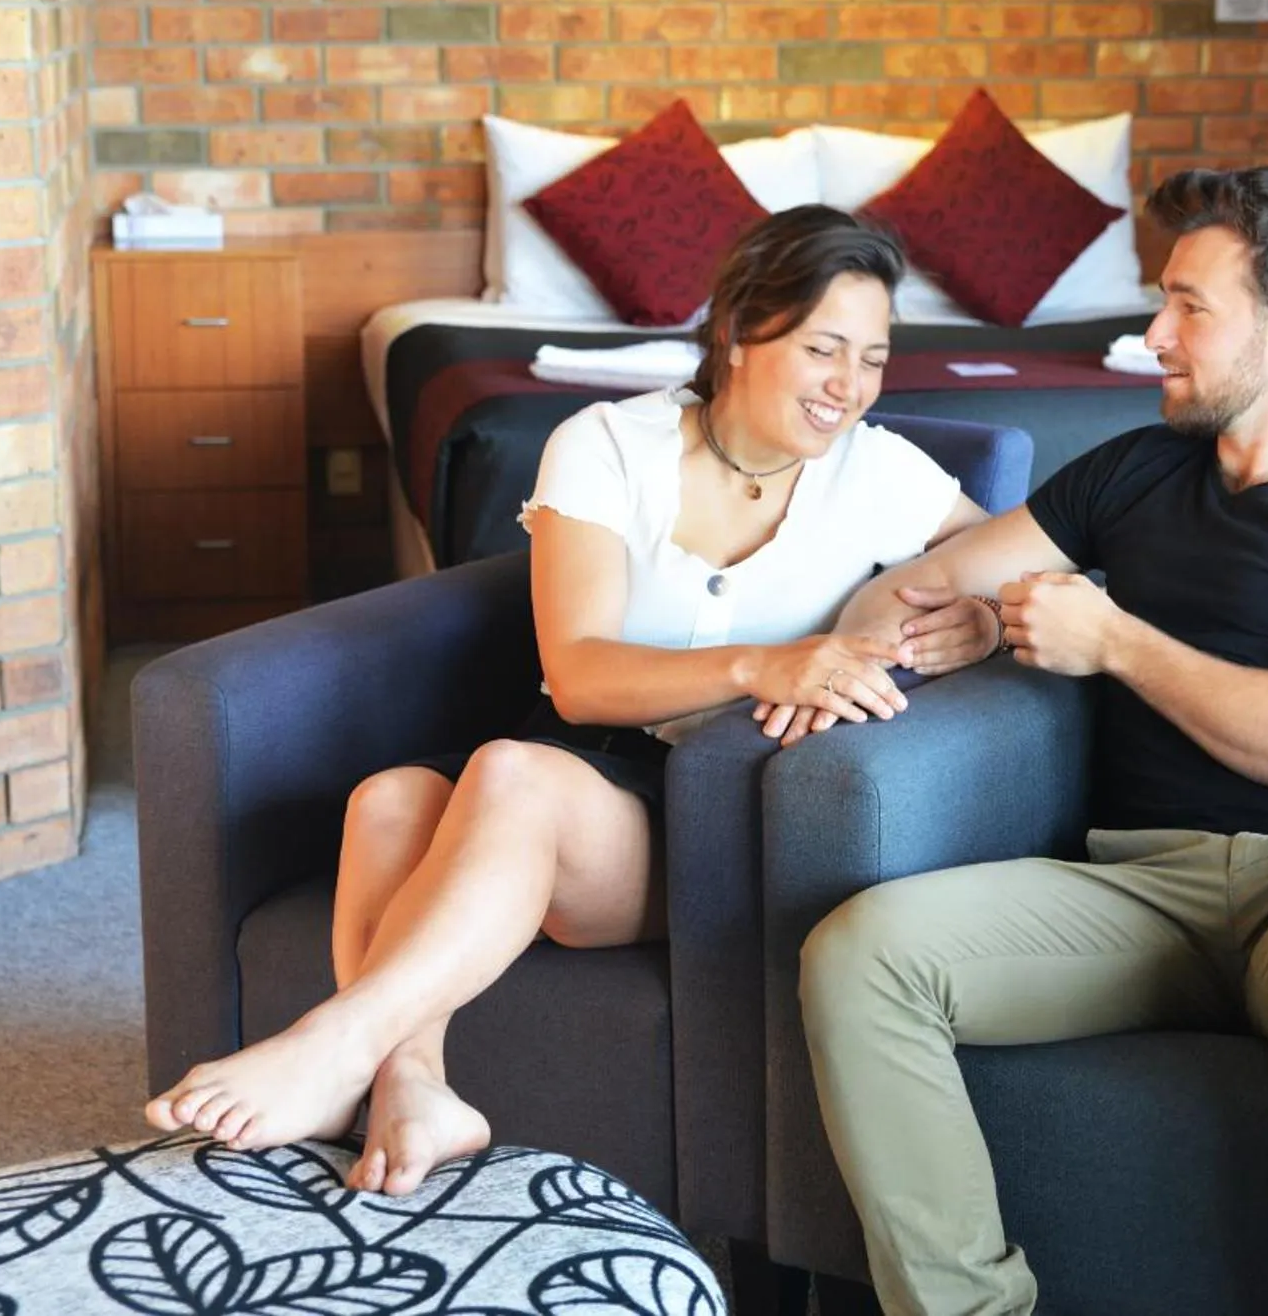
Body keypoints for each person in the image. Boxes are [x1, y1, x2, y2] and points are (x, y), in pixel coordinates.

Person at [144, 205, 1007, 1196]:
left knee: (512, 774)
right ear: (737, 331)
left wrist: (982, 616)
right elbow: (582, 675)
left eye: (873, 358)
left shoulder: (880, 472)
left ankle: (331, 1043)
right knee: (388, 799)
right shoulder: (608, 442)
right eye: (823, 349)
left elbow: (1029, 559)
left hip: (714, 808)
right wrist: (762, 663)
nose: (849, 385)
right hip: (585, 758)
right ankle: (413, 1085)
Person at [802, 166, 1268, 1316]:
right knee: (860, 953)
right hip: (1136, 882)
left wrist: (1115, 639)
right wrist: (958, 626)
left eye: (1188, 306)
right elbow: (903, 590)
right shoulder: (1135, 470)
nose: (1153, 334)